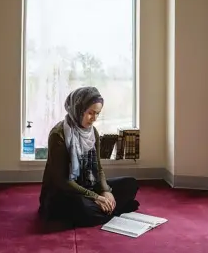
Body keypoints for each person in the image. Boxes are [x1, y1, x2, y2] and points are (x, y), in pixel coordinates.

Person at [39, 86, 139, 227]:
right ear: (78, 109)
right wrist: (95, 197)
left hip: (88, 186)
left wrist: (105, 190)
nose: (94, 119)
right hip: (64, 193)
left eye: (97, 113)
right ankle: (116, 209)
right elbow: (61, 181)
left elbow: (98, 168)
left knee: (130, 184)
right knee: (82, 207)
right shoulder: (58, 135)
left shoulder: (93, 133)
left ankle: (106, 210)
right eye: (90, 113)